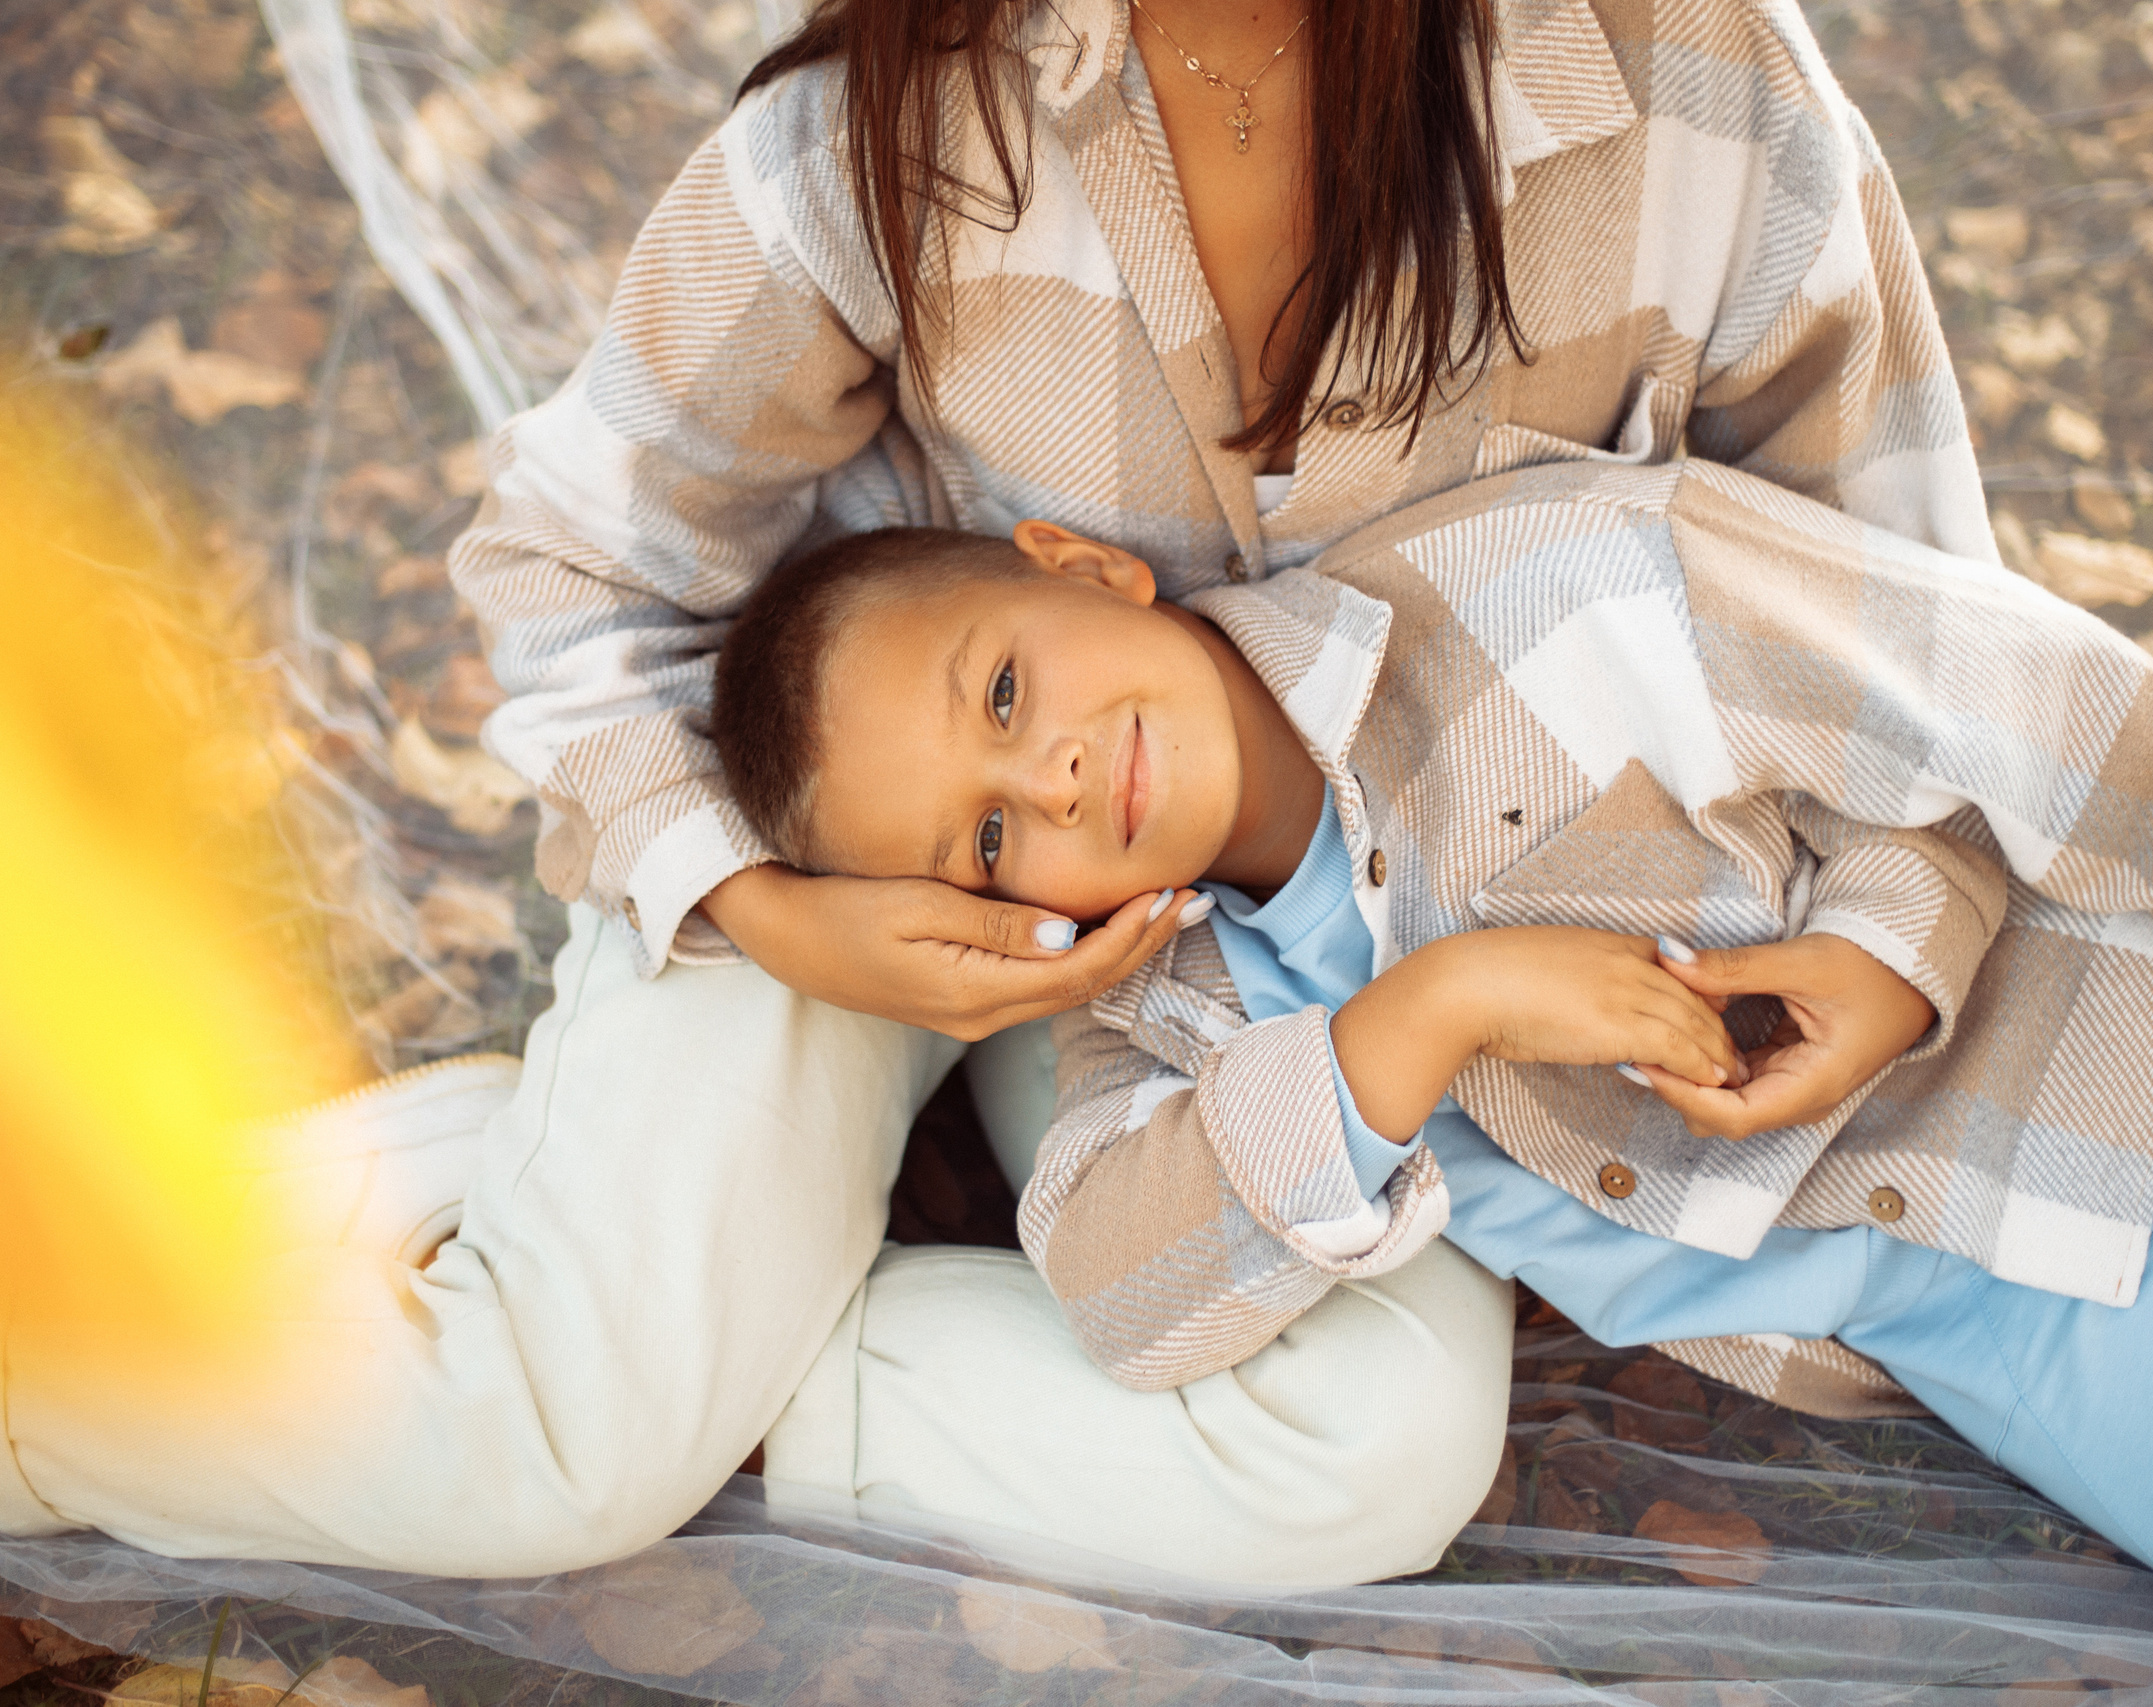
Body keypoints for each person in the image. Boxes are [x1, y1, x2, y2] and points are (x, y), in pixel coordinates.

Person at [3, 0, 1999, 1579]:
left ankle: (653, 1306)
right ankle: (92, 1363)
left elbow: (1903, 594)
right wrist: (775, 908)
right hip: (849, 853)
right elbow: (567, 579)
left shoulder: (1685, 78)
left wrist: (1890, 928)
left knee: (1366, 1449)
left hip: (1288, 969)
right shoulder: (894, 122)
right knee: (553, 1455)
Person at [706, 461, 2153, 1689]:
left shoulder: (1530, 593)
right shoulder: (1168, 1025)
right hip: (2001, 1310)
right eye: (983, 852)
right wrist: (1421, 1017)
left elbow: (1978, 691)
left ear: (1083, 570)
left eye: (1007, 697)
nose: (1049, 792)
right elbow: (1126, 1296)